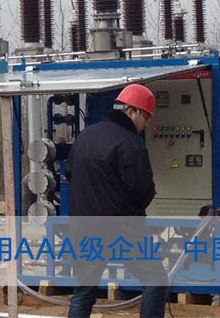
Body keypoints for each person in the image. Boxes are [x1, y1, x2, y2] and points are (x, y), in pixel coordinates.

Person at [67, 83, 169, 318]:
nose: (146, 125)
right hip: (121, 230)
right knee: (155, 280)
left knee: (84, 291)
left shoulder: (85, 137)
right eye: (146, 118)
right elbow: (142, 189)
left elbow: (71, 175)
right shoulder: (130, 144)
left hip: (84, 228)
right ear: (133, 111)